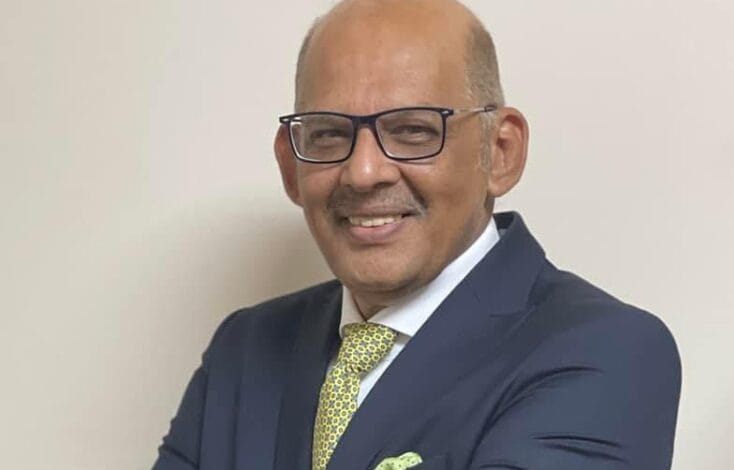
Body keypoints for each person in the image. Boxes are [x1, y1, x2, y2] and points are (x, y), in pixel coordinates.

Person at [152, 0, 682, 469]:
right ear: (291, 167)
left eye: (412, 130)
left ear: (500, 153)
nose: (363, 172)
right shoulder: (244, 348)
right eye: (329, 134)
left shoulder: (606, 352)